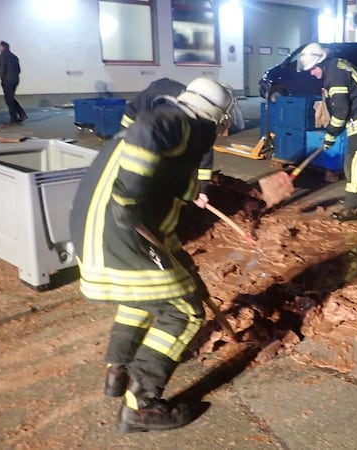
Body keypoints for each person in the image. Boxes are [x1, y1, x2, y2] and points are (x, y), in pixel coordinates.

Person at [69, 77, 243, 433]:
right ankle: (143, 406)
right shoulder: (176, 122)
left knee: (146, 299)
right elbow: (147, 130)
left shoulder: (176, 133)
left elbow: (161, 194)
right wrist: (128, 201)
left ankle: (117, 371)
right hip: (117, 237)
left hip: (96, 235)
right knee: (185, 312)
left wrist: (183, 258)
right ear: (214, 116)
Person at [299, 42, 357, 221]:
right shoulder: (335, 66)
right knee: (352, 162)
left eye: (313, 69)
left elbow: (341, 112)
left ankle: (353, 208)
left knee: (354, 163)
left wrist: (330, 135)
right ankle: (356, 200)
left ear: (320, 62)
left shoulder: (334, 77)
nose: (312, 73)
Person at [119, 78, 214, 192]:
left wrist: (201, 188)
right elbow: (130, 119)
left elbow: (205, 152)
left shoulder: (200, 116)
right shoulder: (163, 113)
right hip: (141, 132)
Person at [0, 41, 27, 124]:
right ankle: (22, 114)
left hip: (7, 80)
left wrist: (2, 79)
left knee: (9, 100)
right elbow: (19, 70)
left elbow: (2, 68)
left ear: (3, 47)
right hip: (15, 80)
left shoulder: (3, 55)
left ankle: (14, 118)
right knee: (10, 98)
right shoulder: (14, 57)